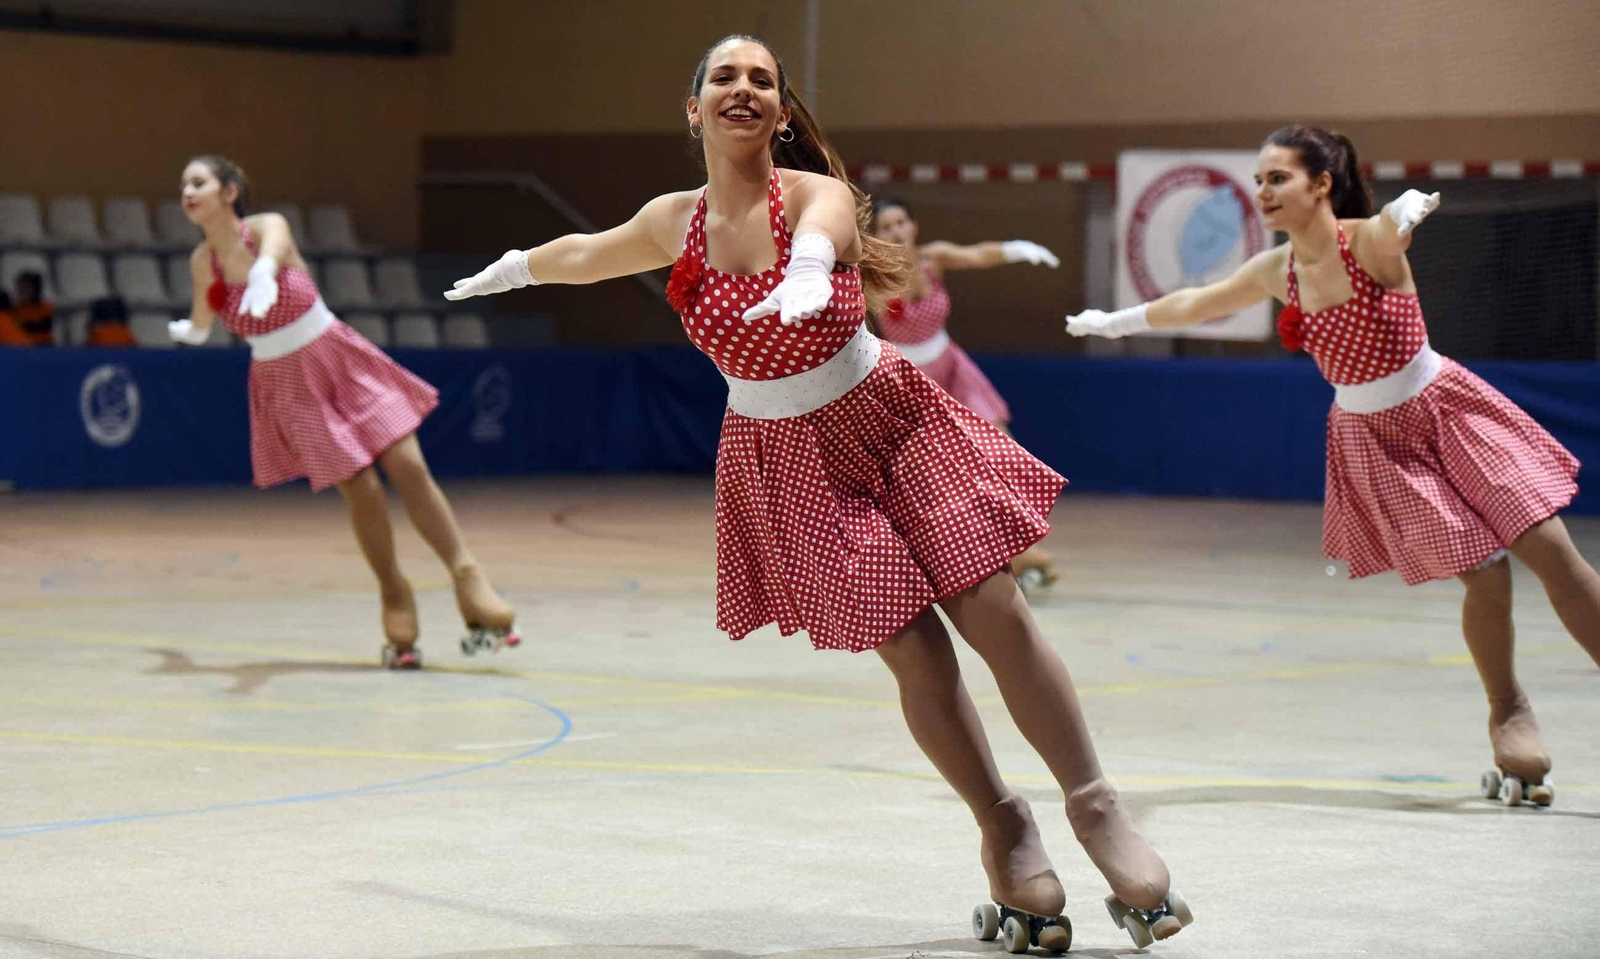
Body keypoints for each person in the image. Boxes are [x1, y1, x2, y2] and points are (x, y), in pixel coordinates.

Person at [445, 35, 1191, 949]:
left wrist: (804, 273)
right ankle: (1004, 824)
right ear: (694, 108)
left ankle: (1095, 804)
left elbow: (827, 228)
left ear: (783, 110)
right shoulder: (668, 221)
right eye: (725, 76)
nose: (744, 89)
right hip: (787, 460)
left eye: (763, 79)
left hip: (888, 420)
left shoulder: (811, 195)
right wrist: (515, 266)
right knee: (917, 657)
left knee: (994, 608)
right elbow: (585, 251)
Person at [1067, 124, 1599, 807]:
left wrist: (1408, 209)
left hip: (1443, 410)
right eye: (1258, 179)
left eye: (1278, 177)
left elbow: (1391, 227)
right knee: (1487, 578)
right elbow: (1194, 303)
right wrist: (1116, 322)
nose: (1263, 190)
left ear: (1321, 183)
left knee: (1553, 550)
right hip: (1376, 441)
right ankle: (1509, 707)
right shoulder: (1276, 271)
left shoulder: (1364, 243)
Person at [171, 154, 519, 669]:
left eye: (198, 181)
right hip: (285, 383)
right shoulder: (203, 262)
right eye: (183, 185)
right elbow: (204, 314)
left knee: (409, 466)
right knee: (363, 490)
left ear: (228, 191)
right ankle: (393, 592)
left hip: (336, 356)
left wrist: (265, 273)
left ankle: (467, 574)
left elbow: (274, 250)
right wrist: (192, 331)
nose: (187, 191)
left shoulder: (266, 227)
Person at [871, 197, 1062, 590]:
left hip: (954, 370)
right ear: (873, 236)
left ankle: (1020, 548)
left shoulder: (933, 259)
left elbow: (977, 255)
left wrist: (1015, 249)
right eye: (886, 226)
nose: (897, 231)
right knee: (938, 480)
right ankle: (985, 558)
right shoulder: (871, 276)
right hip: (910, 383)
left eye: (902, 222)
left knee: (1000, 454)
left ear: (914, 225)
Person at [14, 271, 55, 346]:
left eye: (25, 287)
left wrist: (28, 325)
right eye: (20, 287)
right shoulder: (16, 308)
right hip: (23, 345)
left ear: (35, 288)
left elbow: (46, 326)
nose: (21, 290)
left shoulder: (44, 306)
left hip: (44, 345)